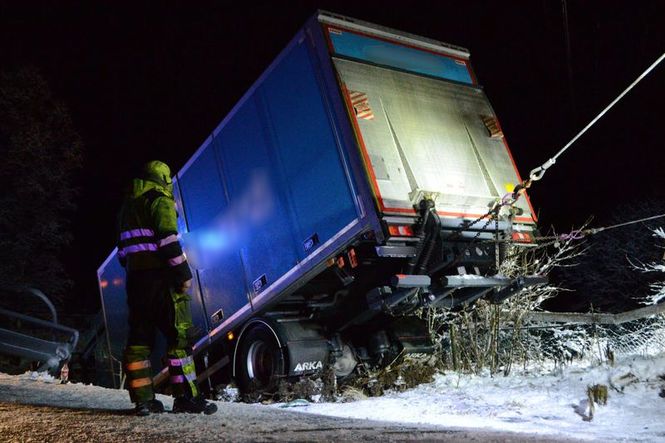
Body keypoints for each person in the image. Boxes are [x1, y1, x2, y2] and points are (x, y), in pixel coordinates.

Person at [117, 160, 217, 416]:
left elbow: (122, 253)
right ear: (163, 179)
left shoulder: (128, 206)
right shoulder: (159, 200)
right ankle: (186, 399)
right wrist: (183, 274)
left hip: (136, 281)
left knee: (139, 340)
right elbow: (169, 241)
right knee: (179, 338)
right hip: (161, 280)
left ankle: (144, 402)